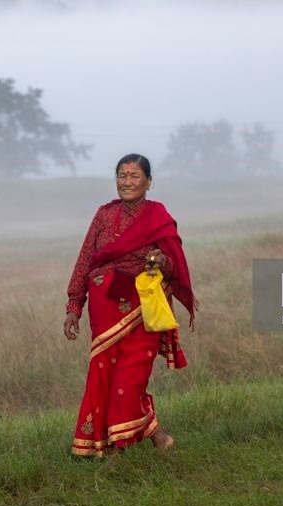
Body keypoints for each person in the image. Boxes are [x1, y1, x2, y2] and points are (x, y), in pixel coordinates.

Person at [65, 153, 197, 458]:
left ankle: (119, 446)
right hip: (104, 305)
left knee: (131, 377)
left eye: (134, 176)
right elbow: (85, 259)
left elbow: (175, 265)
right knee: (104, 374)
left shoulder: (158, 215)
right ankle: (146, 440)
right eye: (122, 176)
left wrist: (161, 261)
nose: (127, 182)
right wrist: (74, 306)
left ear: (149, 182)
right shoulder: (102, 216)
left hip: (143, 308)